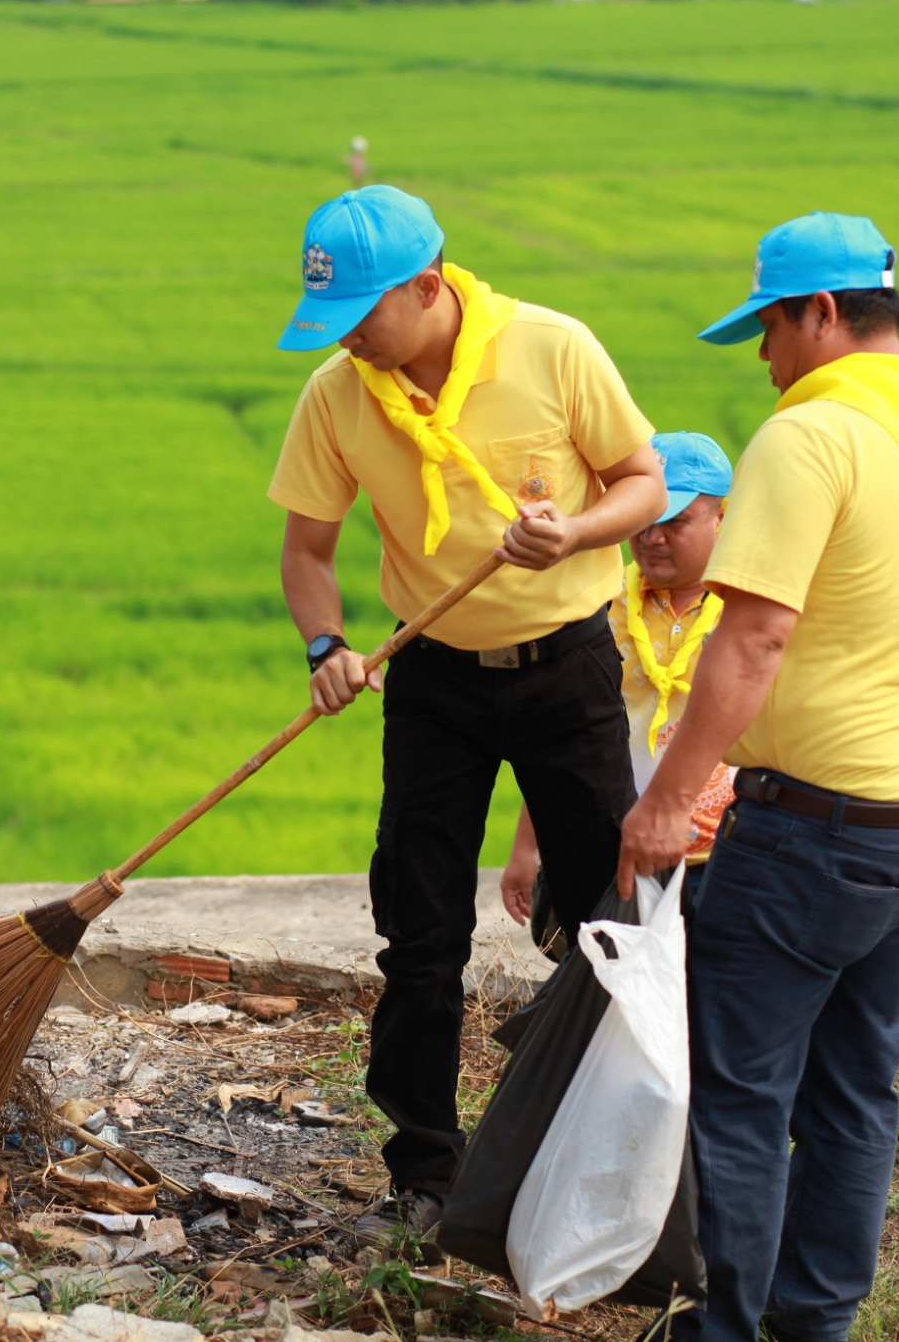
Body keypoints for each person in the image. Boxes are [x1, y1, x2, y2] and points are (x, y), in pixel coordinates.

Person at [268, 184, 666, 1238]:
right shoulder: (338, 392)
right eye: (334, 321)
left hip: (567, 666)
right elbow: (307, 552)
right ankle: (426, 1168)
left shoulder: (551, 348)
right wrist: (327, 646)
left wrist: (576, 534)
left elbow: (642, 483)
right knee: (418, 925)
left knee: (599, 918)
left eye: (363, 314)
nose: (348, 337)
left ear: (427, 286)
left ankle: (594, 1150)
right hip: (433, 677)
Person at [617, 212, 899, 1342]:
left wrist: (666, 799)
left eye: (769, 328)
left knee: (734, 1095)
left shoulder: (808, 435)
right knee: (853, 1088)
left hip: (815, 832)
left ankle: (721, 1332)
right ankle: (812, 1323)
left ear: (819, 314)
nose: (764, 358)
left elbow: (750, 638)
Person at [498, 431, 737, 957]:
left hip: (727, 853)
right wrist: (527, 847)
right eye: (643, 522)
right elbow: (563, 734)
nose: (653, 538)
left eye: (674, 523)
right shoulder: (595, 606)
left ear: (724, 518)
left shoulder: (752, 617)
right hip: (616, 845)